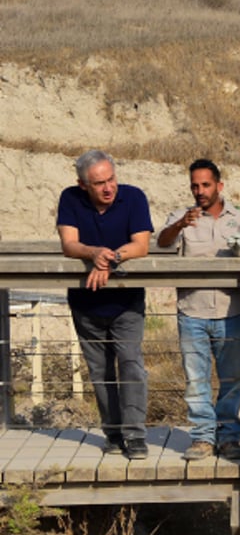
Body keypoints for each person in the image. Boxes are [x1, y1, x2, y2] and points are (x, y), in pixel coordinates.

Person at [158, 159, 240, 462]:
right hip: (192, 311)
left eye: (205, 185)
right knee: (196, 380)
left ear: (219, 185)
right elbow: (163, 244)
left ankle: (229, 438)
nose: (200, 191)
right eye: (194, 185)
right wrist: (180, 225)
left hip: (232, 312)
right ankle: (203, 438)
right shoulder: (181, 217)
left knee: (232, 380)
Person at [56, 149, 153, 459]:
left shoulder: (134, 197)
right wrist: (92, 252)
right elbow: (69, 244)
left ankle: (135, 436)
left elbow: (141, 245)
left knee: (131, 366)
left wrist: (109, 259)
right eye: (99, 183)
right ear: (83, 184)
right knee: (100, 373)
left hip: (126, 301)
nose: (108, 187)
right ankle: (112, 434)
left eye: (111, 179)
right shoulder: (70, 198)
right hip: (87, 304)